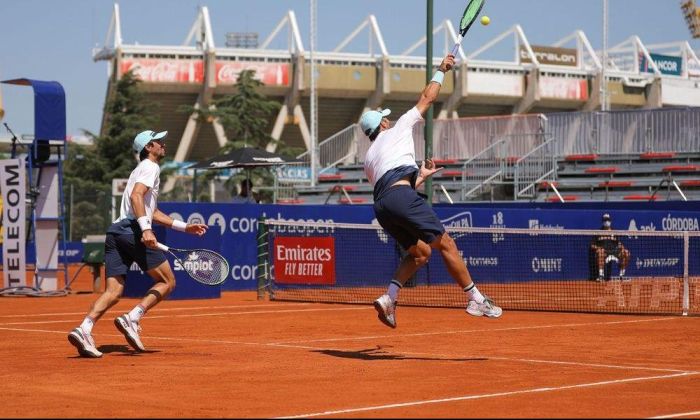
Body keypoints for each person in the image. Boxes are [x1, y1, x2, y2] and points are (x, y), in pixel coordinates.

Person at [361, 53, 502, 328]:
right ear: (383, 124)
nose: (388, 120)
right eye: (384, 118)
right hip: (399, 197)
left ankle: (390, 297)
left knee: (421, 253)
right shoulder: (398, 127)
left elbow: (391, 188)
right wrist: (441, 71)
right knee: (446, 243)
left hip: (383, 206)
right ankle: (475, 298)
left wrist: (420, 175)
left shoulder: (368, 158)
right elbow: (427, 98)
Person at [67, 130, 208, 357]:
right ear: (148, 148)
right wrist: (146, 229)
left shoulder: (140, 170)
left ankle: (84, 328)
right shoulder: (150, 167)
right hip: (131, 230)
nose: (163, 144)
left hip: (116, 231)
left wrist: (184, 227)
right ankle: (132, 318)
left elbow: (153, 210)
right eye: (158, 142)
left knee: (114, 291)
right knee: (168, 281)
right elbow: (136, 197)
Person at [590, 213, 630, 281]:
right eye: (605, 220)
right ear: (602, 221)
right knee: (600, 252)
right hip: (604, 252)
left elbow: (618, 243)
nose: (606, 222)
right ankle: (601, 276)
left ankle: (621, 275)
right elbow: (592, 245)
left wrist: (622, 248)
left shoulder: (614, 232)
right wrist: (598, 248)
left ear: (610, 221)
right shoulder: (598, 232)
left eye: (608, 220)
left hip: (614, 252)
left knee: (626, 253)